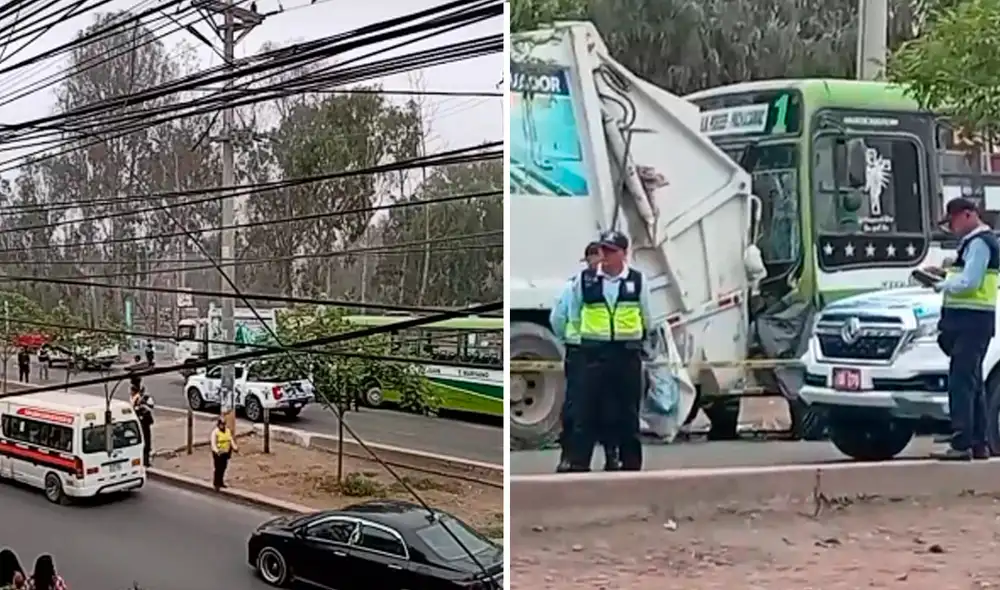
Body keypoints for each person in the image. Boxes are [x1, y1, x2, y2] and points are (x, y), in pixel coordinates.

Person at [560, 230, 652, 472]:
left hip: (626, 352)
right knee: (586, 410)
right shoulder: (585, 280)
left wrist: (638, 340)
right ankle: (579, 463)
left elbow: (647, 317)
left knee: (627, 412)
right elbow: (574, 314)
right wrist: (584, 340)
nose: (606, 255)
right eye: (603, 250)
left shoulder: (638, 281)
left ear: (624, 253)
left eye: (611, 251)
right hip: (594, 352)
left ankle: (630, 463)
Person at [926, 197, 999, 461]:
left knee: (961, 383)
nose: (952, 227)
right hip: (975, 321)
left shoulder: (979, 243)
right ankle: (979, 443)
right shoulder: (976, 242)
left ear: (969, 215)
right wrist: (945, 273)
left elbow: (970, 282)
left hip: (970, 322)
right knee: (973, 382)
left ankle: (961, 442)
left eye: (954, 221)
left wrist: (941, 285)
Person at [550, 241, 621, 472]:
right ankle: (586, 457)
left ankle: (579, 458)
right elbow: (558, 318)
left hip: (587, 351)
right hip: (586, 350)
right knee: (587, 406)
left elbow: (558, 319)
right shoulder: (578, 286)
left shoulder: (577, 286)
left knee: (591, 405)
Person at [130, 376, 155, 466]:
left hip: (143, 422)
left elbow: (150, 406)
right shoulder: (135, 398)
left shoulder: (141, 397)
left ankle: (145, 461)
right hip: (139, 422)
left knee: (146, 442)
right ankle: (144, 460)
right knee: (143, 442)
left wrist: (142, 404)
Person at [210, 416, 238, 490]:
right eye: (221, 424)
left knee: (223, 467)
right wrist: (217, 451)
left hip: (225, 452)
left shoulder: (227, 431)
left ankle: (221, 482)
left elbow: (230, 439)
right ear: (218, 424)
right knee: (218, 468)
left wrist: (234, 447)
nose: (222, 426)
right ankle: (216, 483)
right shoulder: (215, 432)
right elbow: (213, 443)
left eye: (223, 424)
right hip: (218, 453)